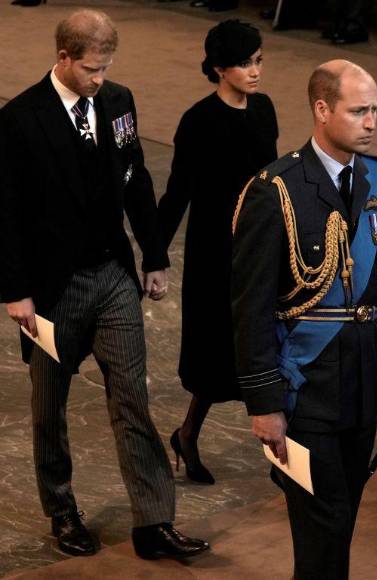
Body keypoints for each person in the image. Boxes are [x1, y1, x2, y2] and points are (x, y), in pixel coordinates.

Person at [0, 9, 208, 560]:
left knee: (132, 398)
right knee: (50, 408)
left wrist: (155, 254)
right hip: (51, 290)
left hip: (113, 276)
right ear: (64, 56)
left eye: (106, 67)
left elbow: (135, 177)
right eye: (92, 69)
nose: (100, 78)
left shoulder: (118, 102)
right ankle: (62, 510)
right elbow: (6, 213)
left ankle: (153, 520)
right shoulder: (20, 119)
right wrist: (14, 291)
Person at [231, 59, 377, 579]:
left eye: (375, 110)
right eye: (358, 110)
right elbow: (249, 307)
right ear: (322, 109)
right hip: (305, 390)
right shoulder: (276, 190)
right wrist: (264, 403)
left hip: (362, 387)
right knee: (324, 526)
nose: (371, 122)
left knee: (338, 528)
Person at [157, 20, 278, 485]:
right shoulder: (198, 121)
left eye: (259, 61)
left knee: (267, 349)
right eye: (246, 63)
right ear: (218, 68)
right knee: (215, 356)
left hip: (261, 244)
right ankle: (187, 434)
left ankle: (279, 457)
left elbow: (274, 180)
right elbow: (178, 193)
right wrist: (155, 254)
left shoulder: (264, 110)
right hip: (215, 252)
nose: (255, 71)